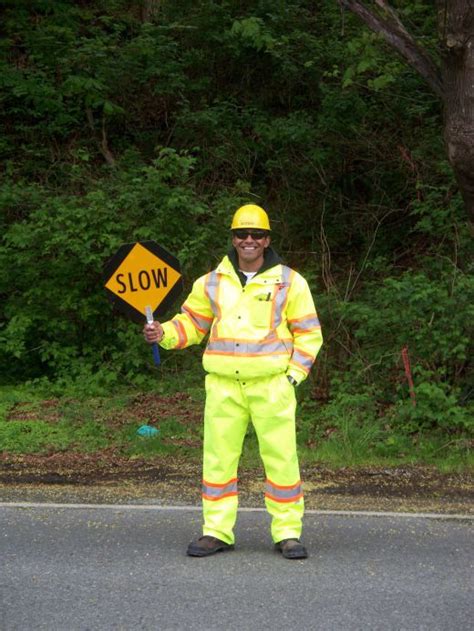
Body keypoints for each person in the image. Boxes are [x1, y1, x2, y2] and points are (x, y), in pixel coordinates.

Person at [143, 204, 323, 559]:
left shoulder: (290, 281)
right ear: (233, 238)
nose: (249, 240)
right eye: (242, 234)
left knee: (282, 461)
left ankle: (287, 533)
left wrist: (293, 377)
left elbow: (309, 333)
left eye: (256, 234)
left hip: (272, 385)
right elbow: (191, 325)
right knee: (218, 461)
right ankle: (216, 531)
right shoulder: (211, 281)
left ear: (267, 239)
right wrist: (162, 332)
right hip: (224, 386)